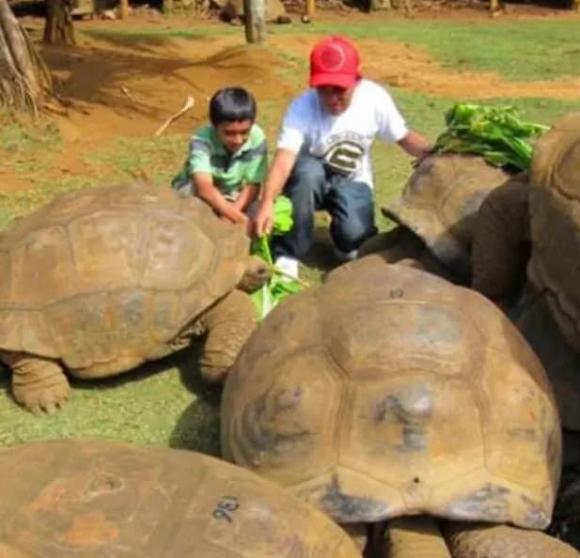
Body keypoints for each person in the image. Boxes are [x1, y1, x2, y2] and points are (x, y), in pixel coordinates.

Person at [253, 35, 433, 279]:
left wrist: (435, 154)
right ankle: (290, 252)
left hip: (351, 180)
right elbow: (285, 159)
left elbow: (403, 137)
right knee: (308, 171)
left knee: (354, 242)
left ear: (356, 81)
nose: (331, 98)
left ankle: (344, 240)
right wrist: (267, 203)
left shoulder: (374, 99)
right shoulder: (302, 107)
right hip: (309, 181)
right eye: (323, 90)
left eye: (339, 90)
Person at [172, 87, 267, 231]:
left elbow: (252, 186)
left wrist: (230, 213)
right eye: (229, 133)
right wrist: (237, 218)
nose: (238, 140)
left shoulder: (257, 138)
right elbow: (204, 188)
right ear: (214, 126)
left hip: (231, 193)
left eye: (244, 132)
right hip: (195, 192)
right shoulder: (201, 140)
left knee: (261, 214)